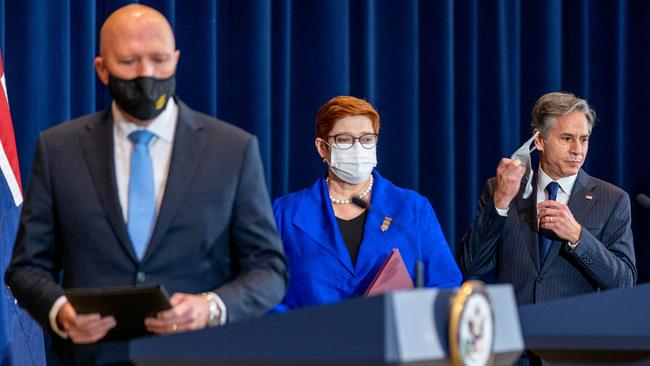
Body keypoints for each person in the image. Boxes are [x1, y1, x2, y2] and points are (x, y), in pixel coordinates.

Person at [5, 4, 287, 363]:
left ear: (177, 59)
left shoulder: (233, 148)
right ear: (101, 69)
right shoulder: (59, 149)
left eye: (159, 59)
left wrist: (211, 307)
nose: (147, 73)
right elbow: (26, 267)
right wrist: (60, 310)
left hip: (200, 354)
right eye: (129, 62)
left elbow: (270, 270)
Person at [272, 96, 461, 311]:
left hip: (390, 339)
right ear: (322, 148)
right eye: (344, 140)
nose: (357, 148)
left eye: (367, 139)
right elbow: (265, 293)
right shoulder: (284, 214)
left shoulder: (412, 208)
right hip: (309, 340)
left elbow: (445, 285)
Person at [459, 91, 636, 307]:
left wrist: (578, 237)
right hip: (517, 331)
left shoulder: (612, 200)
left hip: (577, 336)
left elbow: (625, 282)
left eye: (584, 140)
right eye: (567, 138)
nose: (577, 150)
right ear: (540, 140)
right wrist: (500, 203)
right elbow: (470, 265)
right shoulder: (502, 188)